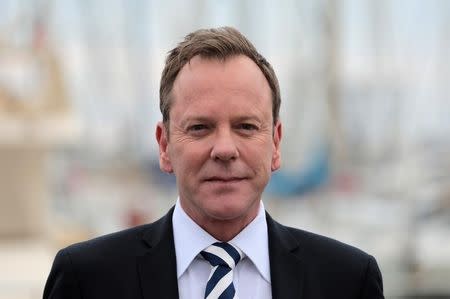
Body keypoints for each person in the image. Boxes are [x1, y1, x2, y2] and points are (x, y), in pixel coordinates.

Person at [43, 26, 384, 299]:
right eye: (200, 127)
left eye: (246, 127)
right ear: (164, 146)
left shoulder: (348, 281)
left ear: (276, 144)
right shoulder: (86, 280)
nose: (224, 149)